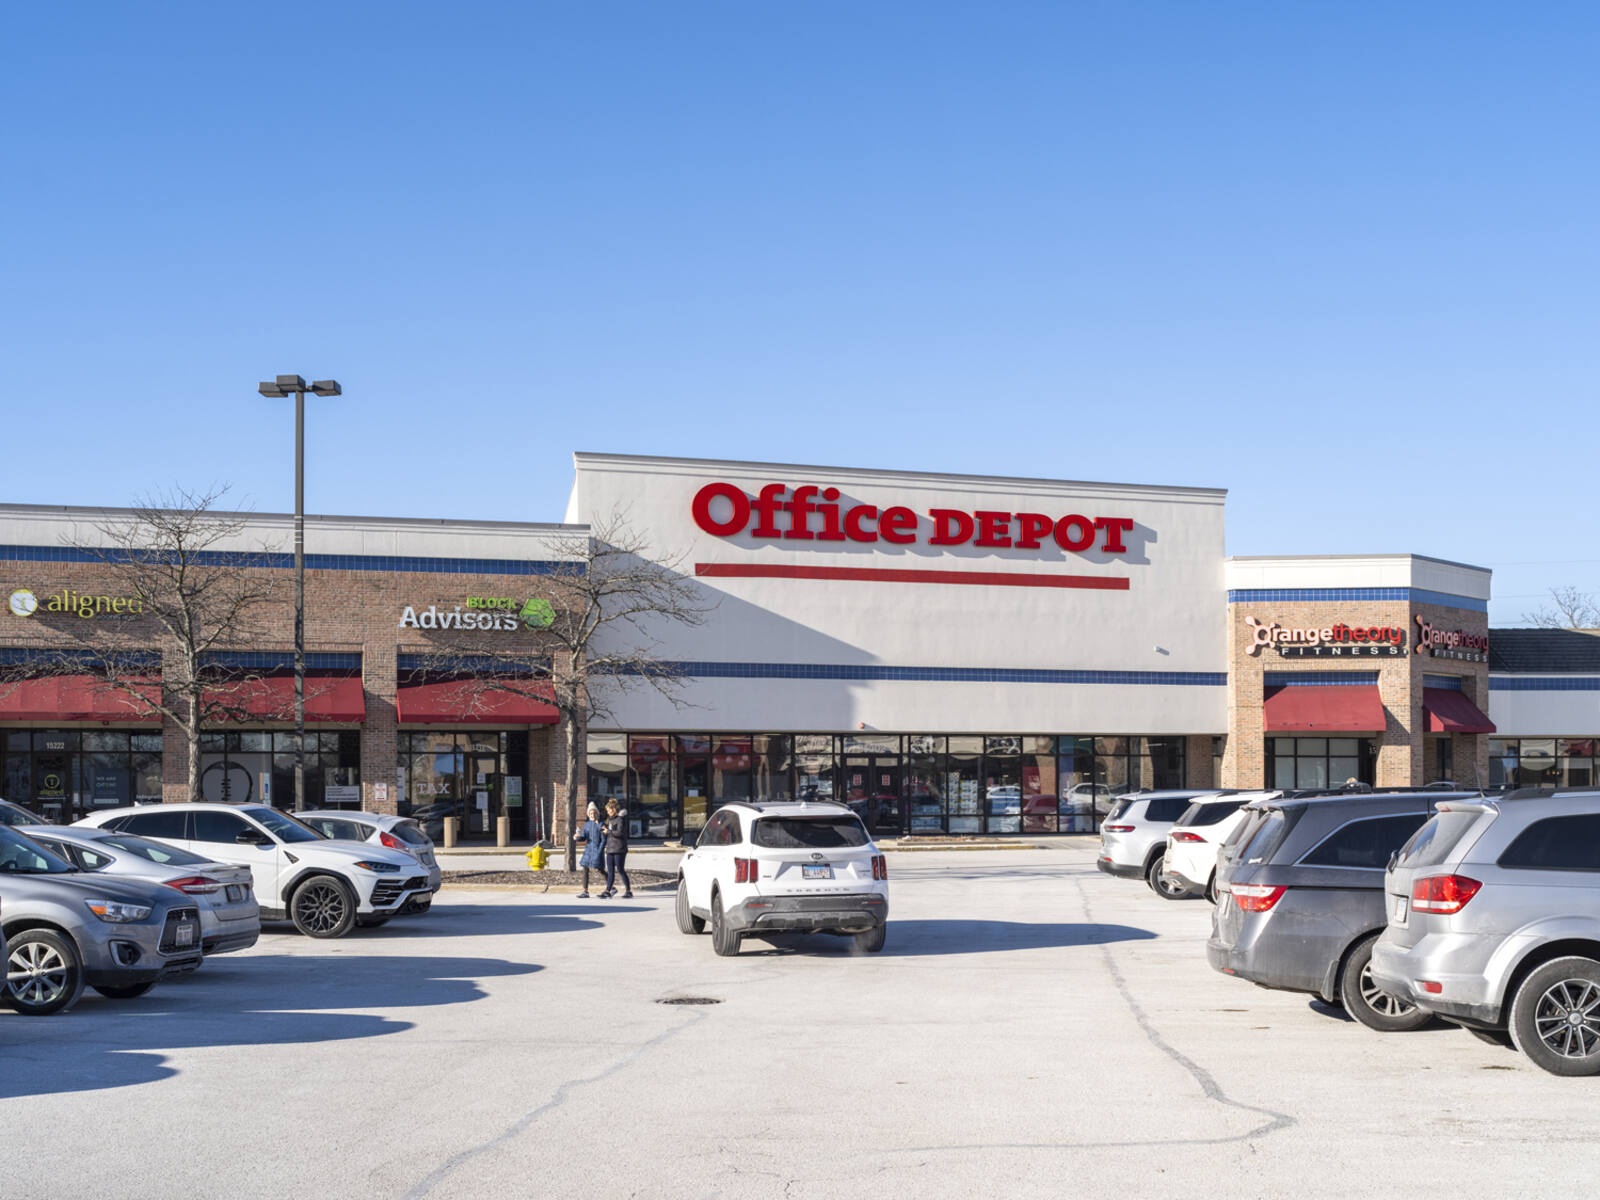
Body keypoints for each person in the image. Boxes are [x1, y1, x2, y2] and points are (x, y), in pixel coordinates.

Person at [600, 797, 631, 899]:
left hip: (619, 849)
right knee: (610, 871)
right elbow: (609, 832)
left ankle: (628, 890)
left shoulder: (620, 820)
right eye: (607, 811)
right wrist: (604, 830)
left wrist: (608, 832)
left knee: (621, 870)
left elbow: (619, 833)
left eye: (609, 810)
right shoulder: (609, 820)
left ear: (614, 810)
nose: (608, 812)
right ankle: (608, 890)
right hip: (610, 848)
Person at [576, 802, 604, 899]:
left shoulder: (600, 824)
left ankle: (611, 887)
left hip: (597, 850)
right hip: (588, 850)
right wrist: (577, 838)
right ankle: (585, 891)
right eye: (591, 813)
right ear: (588, 814)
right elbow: (584, 837)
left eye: (594, 813)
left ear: (597, 814)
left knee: (600, 869)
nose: (593, 815)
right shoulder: (587, 825)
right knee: (585, 868)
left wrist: (599, 852)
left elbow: (603, 840)